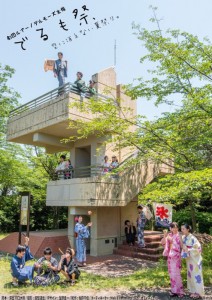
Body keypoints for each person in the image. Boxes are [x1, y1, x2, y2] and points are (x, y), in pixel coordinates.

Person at [181, 224, 204, 299]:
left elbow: (198, 248)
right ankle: (192, 290)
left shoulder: (193, 238)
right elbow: (183, 246)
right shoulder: (184, 237)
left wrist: (189, 250)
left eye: (183, 229)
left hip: (195, 259)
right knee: (191, 274)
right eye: (181, 229)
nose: (182, 230)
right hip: (189, 259)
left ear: (188, 229)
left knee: (196, 275)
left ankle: (198, 292)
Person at [163, 222, 184, 298]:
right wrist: (165, 236)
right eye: (173, 227)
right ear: (170, 228)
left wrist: (184, 252)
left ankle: (180, 291)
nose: (175, 229)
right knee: (172, 274)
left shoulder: (179, 235)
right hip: (170, 257)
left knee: (177, 274)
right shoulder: (169, 235)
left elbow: (181, 245)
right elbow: (163, 243)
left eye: (176, 227)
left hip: (177, 257)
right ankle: (174, 291)